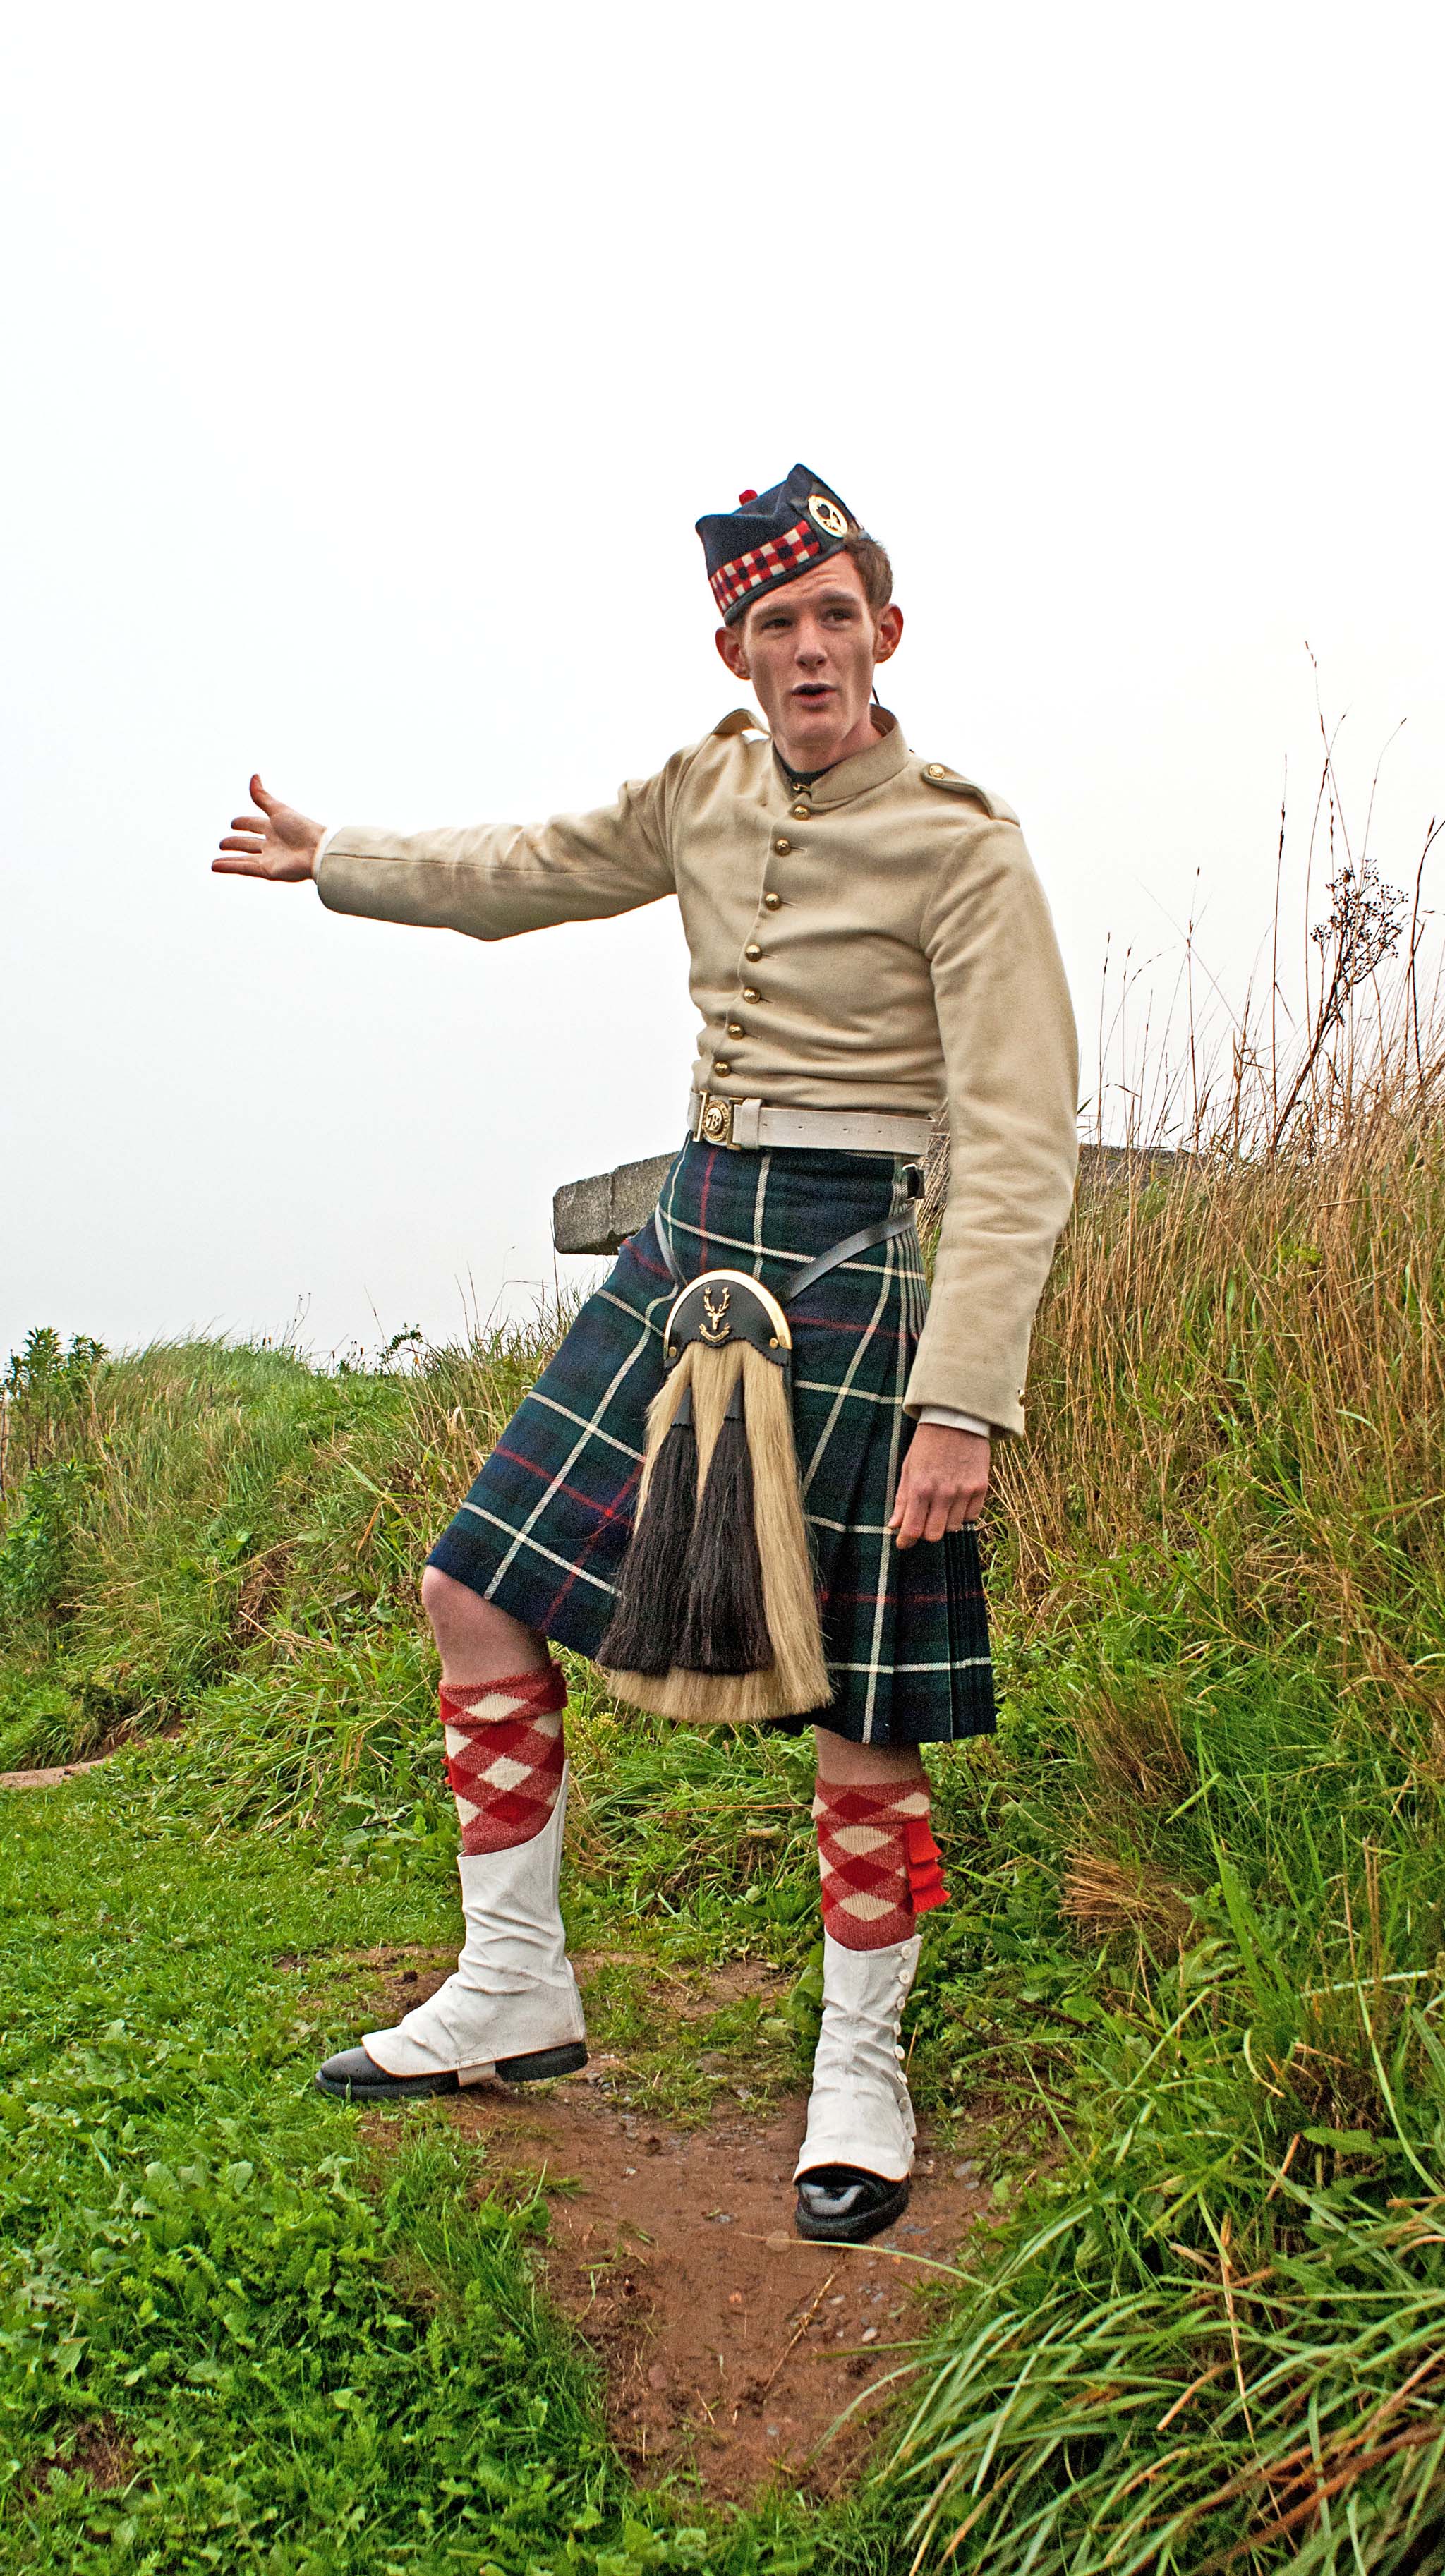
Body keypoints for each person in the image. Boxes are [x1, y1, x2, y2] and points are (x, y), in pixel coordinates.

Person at [212, 465, 1078, 2243]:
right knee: (473, 1582)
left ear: (885, 632)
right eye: (775, 622)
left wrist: (960, 1397)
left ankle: (859, 2067)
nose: (807, 646)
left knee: (863, 1704)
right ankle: (511, 1979)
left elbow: (1017, 1141)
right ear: (734, 649)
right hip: (689, 1241)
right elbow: (530, 868)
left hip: (850, 1267)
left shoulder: (963, 845)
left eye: (833, 614)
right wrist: (335, 858)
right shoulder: (704, 785)